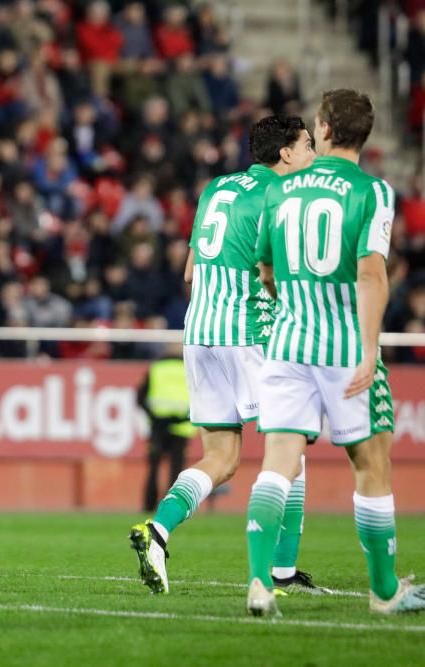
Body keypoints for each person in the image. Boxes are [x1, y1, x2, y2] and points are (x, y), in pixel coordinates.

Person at [245, 89, 425, 617]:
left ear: (322, 128)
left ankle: (260, 584)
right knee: (371, 464)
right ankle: (385, 592)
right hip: (344, 344)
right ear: (364, 137)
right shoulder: (373, 191)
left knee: (278, 464)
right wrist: (370, 349)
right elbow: (372, 274)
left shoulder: (281, 190)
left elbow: (267, 270)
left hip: (286, 341)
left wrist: (294, 305)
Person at [130, 115, 317, 595]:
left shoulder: (216, 188)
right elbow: (274, 275)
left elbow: (191, 270)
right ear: (287, 155)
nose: (313, 154)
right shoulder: (281, 197)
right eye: (307, 145)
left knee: (221, 457)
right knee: (290, 449)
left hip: (198, 334)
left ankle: (158, 530)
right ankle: (281, 572)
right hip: (249, 333)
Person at [137, 343, 194, 512]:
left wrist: (154, 417)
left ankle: (148, 505)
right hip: (182, 426)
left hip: (158, 427)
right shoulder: (190, 368)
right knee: (176, 471)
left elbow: (140, 397)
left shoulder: (156, 368)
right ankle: (172, 509)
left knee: (153, 469)